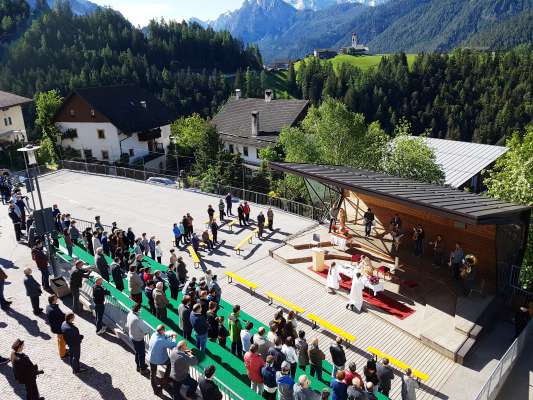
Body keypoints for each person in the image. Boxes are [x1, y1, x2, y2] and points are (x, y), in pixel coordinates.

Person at [148, 325, 177, 395]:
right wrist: (174, 337)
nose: (165, 332)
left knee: (153, 374)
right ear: (161, 331)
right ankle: (166, 379)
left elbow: (163, 336)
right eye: (164, 330)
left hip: (151, 357)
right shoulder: (161, 340)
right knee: (170, 364)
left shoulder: (154, 335)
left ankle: (155, 389)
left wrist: (166, 335)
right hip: (159, 359)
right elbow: (173, 344)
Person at [126, 303, 150, 373]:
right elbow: (146, 331)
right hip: (138, 339)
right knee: (141, 354)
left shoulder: (130, 314)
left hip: (132, 336)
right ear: (138, 310)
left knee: (137, 352)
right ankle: (142, 369)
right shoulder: (138, 319)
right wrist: (146, 332)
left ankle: (138, 365)